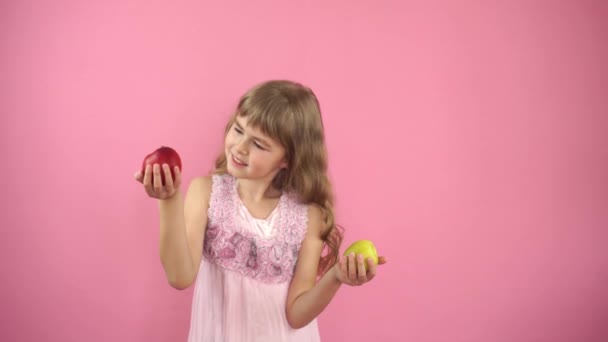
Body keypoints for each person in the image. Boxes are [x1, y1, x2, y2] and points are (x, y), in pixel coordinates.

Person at [134, 80, 387, 341]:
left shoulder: (308, 217)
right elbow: (179, 276)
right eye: (238, 129)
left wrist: (336, 277)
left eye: (259, 144)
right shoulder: (206, 193)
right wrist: (169, 199)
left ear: (288, 158)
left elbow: (297, 314)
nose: (240, 147)